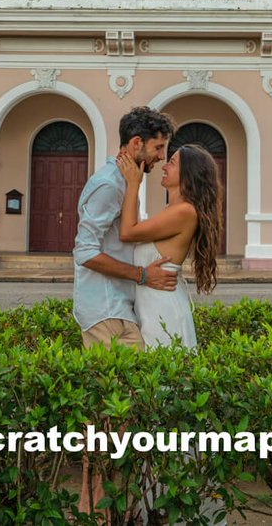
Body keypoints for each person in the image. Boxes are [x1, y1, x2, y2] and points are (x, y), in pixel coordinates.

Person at [72, 106, 177, 518]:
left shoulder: (125, 181)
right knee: (110, 420)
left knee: (119, 420)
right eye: (158, 147)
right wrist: (142, 275)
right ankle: (97, 509)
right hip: (105, 312)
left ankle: (108, 507)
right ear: (137, 144)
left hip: (120, 308)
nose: (159, 157)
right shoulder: (108, 184)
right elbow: (84, 251)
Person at [116, 142, 223, 349]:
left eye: (172, 163)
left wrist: (133, 184)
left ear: (188, 174)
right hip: (153, 309)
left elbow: (127, 232)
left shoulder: (184, 212)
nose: (164, 166)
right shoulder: (172, 210)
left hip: (163, 311)